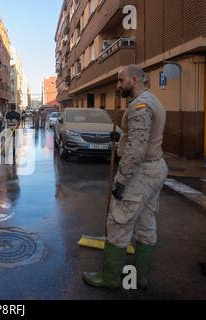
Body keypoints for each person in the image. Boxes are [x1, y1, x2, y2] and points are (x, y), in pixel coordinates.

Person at [83, 65, 168, 289]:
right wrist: (121, 136)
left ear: (135, 79)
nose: (118, 85)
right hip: (155, 167)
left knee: (120, 221)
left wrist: (122, 179)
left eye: (121, 81)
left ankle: (110, 278)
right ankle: (140, 276)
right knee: (146, 222)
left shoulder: (140, 106)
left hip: (140, 173)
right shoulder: (152, 100)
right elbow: (139, 137)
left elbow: (137, 148)